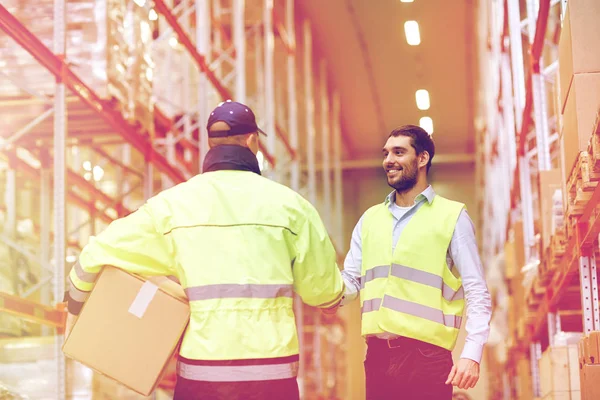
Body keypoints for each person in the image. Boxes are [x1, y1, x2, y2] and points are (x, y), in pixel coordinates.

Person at [64, 100, 345, 400]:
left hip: (202, 377)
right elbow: (322, 291)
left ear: (210, 143)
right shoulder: (293, 208)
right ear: (253, 141)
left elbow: (95, 254)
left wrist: (75, 305)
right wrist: (334, 300)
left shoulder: (172, 207)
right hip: (271, 377)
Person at [338, 125, 492, 399]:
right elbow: (350, 281)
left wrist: (472, 353)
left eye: (399, 152)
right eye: (386, 153)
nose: (388, 160)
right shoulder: (369, 219)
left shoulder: (452, 216)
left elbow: (477, 289)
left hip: (427, 357)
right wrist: (326, 293)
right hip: (377, 357)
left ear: (422, 159)